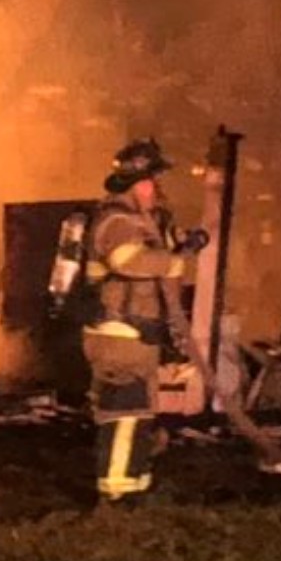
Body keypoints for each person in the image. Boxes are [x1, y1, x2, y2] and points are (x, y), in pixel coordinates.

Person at [81, 139, 207, 505]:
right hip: (118, 336)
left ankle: (136, 487)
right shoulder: (117, 220)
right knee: (124, 416)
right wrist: (173, 262)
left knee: (139, 416)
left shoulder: (142, 221)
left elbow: (157, 248)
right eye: (152, 182)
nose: (157, 190)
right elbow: (128, 260)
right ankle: (117, 495)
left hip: (137, 337)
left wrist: (185, 242)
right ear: (136, 184)